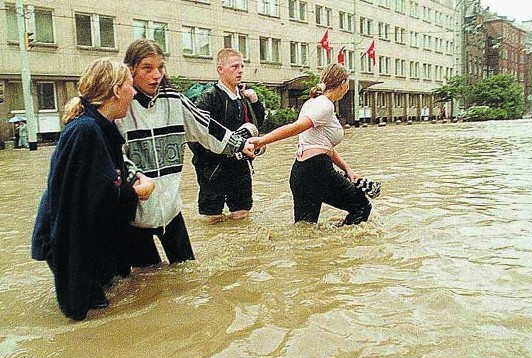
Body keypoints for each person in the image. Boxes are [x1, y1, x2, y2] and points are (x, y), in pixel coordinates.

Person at [31, 58, 156, 321]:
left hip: (88, 242)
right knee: (91, 316)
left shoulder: (101, 127)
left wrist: (132, 178)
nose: (134, 93)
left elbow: (104, 181)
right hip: (71, 244)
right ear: (115, 91)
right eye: (130, 86)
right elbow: (79, 205)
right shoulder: (84, 131)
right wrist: (137, 193)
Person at [116, 39, 255, 267]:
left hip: (170, 210)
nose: (156, 75)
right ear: (131, 69)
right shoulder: (122, 106)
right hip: (135, 215)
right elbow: (115, 155)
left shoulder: (173, 99)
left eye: (160, 67)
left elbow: (205, 125)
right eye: (147, 68)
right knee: (148, 281)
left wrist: (239, 144)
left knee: (187, 269)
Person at [248, 63, 372, 226]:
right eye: (347, 84)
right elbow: (296, 128)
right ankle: (344, 246)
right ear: (343, 84)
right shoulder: (325, 105)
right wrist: (262, 140)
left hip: (301, 173)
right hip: (317, 171)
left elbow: (324, 147)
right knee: (362, 206)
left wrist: (347, 169)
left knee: (305, 229)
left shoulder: (312, 103)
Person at [189, 48, 265, 223]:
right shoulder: (209, 97)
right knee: (211, 218)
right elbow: (194, 135)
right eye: (234, 66)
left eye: (242, 66)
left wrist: (256, 102)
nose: (240, 70)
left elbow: (256, 125)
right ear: (220, 69)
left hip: (240, 166)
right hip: (213, 169)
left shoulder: (244, 97)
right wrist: (214, 157)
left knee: (242, 215)